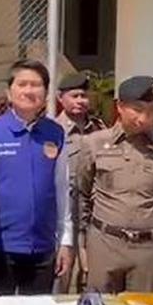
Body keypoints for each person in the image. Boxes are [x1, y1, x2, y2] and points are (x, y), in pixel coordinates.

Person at [0, 60, 72, 295]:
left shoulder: (55, 133)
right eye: (22, 84)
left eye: (36, 85)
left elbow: (62, 189)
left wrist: (65, 241)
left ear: (46, 94)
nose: (29, 91)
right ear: (9, 92)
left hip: (42, 249)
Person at [76, 76, 153, 293]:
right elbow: (82, 194)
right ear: (120, 107)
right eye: (137, 110)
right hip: (105, 243)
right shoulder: (94, 143)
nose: (144, 118)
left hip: (149, 249)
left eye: (152, 110)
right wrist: (82, 244)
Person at [54, 71, 107, 291]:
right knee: (62, 268)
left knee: (91, 268)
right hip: (64, 205)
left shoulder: (100, 129)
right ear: (60, 98)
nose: (80, 101)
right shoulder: (52, 129)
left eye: (84, 96)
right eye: (74, 96)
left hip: (92, 206)